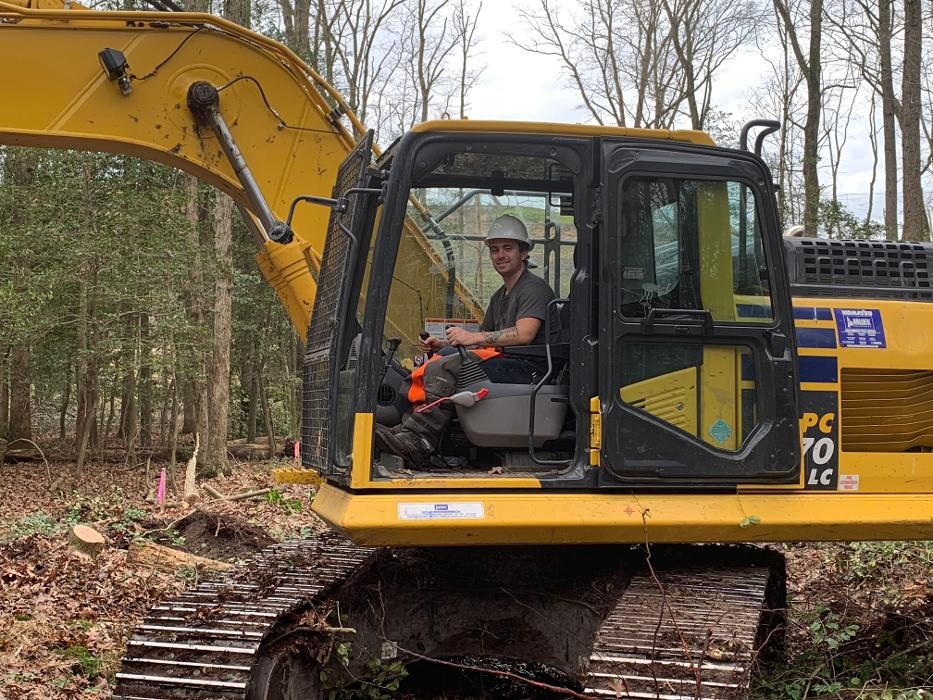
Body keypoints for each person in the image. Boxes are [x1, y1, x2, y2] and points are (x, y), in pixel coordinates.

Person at [375, 214, 555, 466]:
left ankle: (421, 439)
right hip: (508, 361)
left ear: (523, 253)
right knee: (444, 356)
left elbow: (525, 334)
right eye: (494, 250)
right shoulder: (500, 295)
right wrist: (445, 346)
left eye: (507, 248)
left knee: (447, 366)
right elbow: (483, 342)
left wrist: (471, 337)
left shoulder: (534, 289)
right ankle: (408, 430)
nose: (500, 255)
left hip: (532, 369)